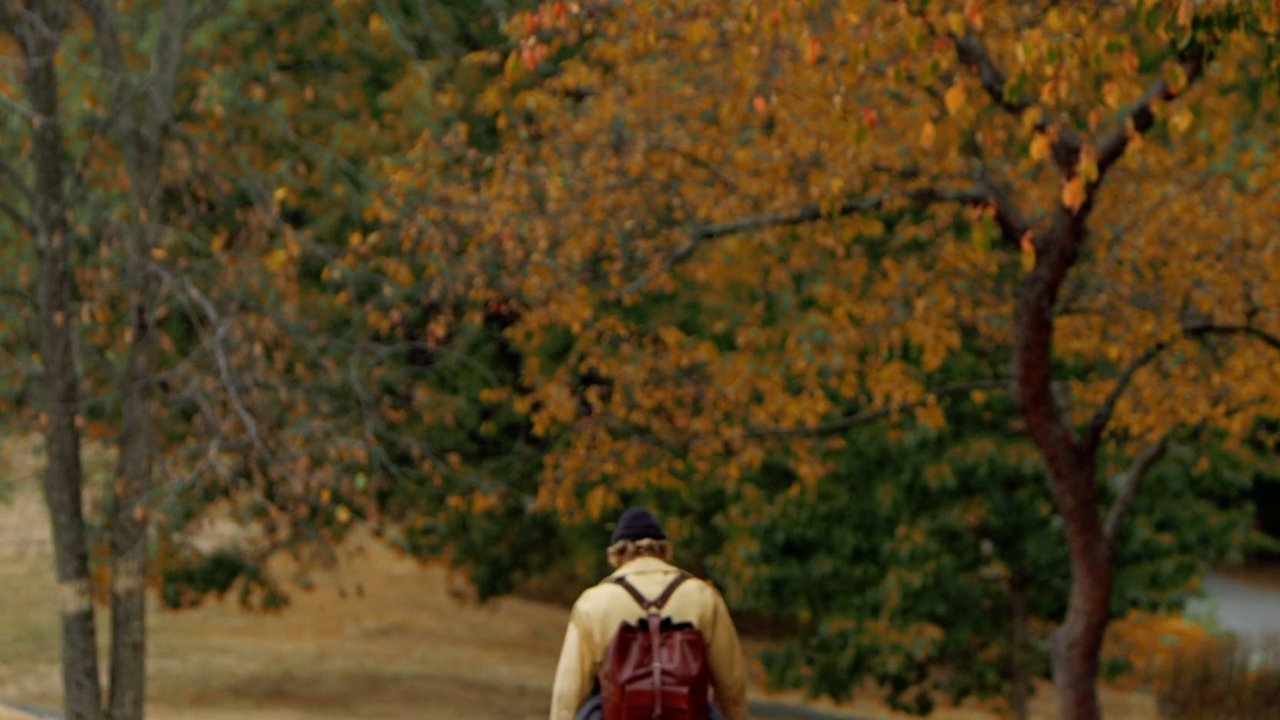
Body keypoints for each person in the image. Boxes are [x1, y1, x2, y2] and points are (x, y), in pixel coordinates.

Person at [549, 507, 748, 720]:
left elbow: (569, 690)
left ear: (617, 554)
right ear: (663, 551)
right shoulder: (703, 595)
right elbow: (731, 686)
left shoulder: (594, 601)